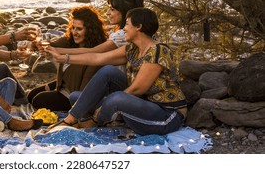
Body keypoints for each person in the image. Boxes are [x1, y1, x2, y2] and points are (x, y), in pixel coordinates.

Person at [46, 7, 187, 135]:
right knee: (79, 94)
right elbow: (97, 58)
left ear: (138, 27)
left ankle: (87, 121)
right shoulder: (132, 48)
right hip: (140, 106)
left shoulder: (158, 51)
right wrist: (62, 58)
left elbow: (137, 89)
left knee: (114, 99)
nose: (124, 29)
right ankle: (74, 117)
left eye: (127, 24)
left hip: (166, 116)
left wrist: (104, 107)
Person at [27, 6, 108, 111]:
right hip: (63, 85)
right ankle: (55, 89)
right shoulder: (69, 40)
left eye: (79, 29)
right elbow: (52, 45)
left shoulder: (96, 53)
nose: (74, 32)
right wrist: (36, 44)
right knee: (31, 95)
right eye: (73, 28)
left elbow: (84, 91)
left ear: (90, 30)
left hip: (73, 94)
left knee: (38, 100)